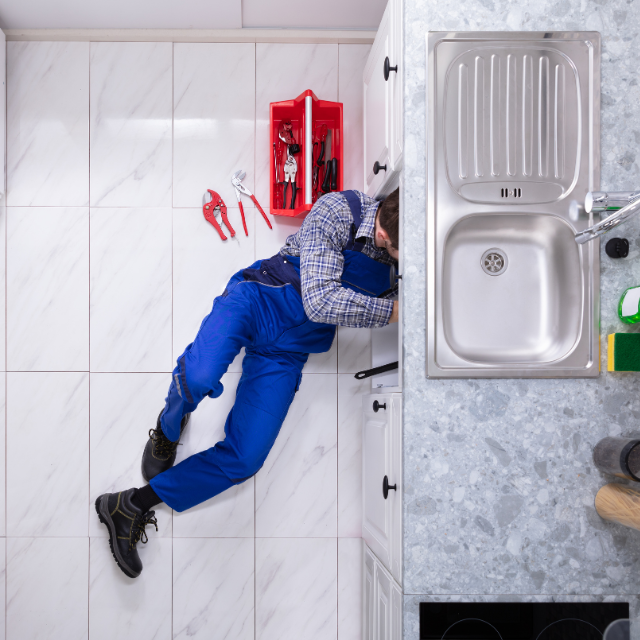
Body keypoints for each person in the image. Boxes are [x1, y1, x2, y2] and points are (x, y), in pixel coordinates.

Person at [95, 187, 400, 578]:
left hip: (287, 350)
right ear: (387, 233)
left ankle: (129, 506)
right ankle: (167, 430)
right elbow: (320, 302)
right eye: (396, 250)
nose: (397, 260)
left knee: (246, 458)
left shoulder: (397, 260)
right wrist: (395, 309)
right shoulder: (340, 210)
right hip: (256, 301)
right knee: (199, 376)